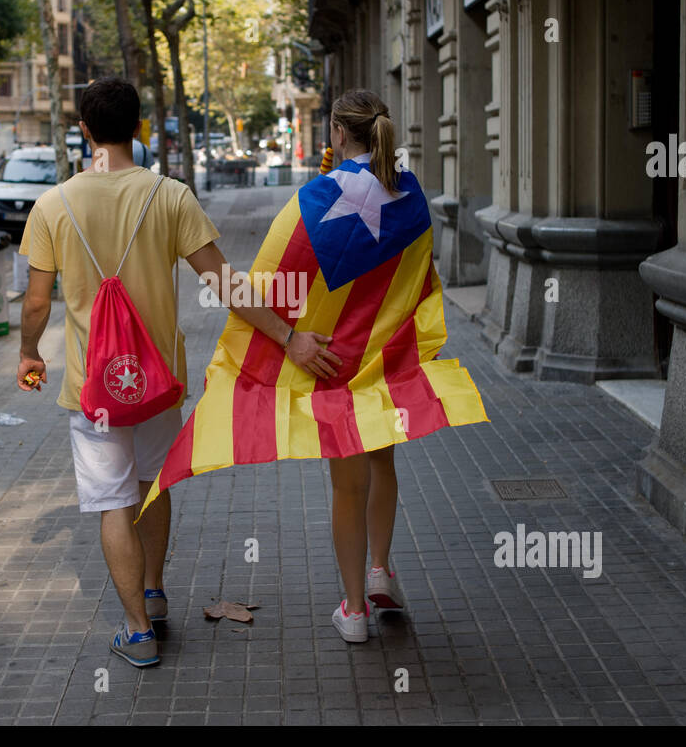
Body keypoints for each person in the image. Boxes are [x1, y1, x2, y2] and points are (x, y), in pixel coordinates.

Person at [138, 88, 488, 644]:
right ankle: (380, 570)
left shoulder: (311, 201)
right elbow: (423, 280)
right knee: (383, 467)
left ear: (336, 132)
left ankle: (353, 610)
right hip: (384, 363)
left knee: (347, 486)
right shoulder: (411, 193)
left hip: (332, 362)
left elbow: (271, 283)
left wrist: (286, 343)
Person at [16, 77, 329, 668]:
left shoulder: (53, 206)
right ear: (139, 128)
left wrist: (30, 352)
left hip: (93, 389)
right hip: (158, 383)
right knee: (150, 485)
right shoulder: (170, 195)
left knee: (113, 502)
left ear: (85, 131)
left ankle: (137, 630)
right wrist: (289, 339)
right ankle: (154, 591)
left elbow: (35, 303)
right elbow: (227, 282)